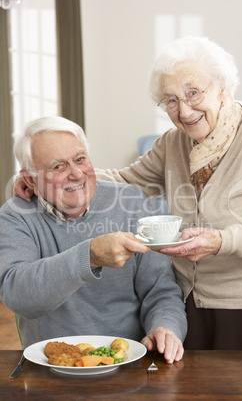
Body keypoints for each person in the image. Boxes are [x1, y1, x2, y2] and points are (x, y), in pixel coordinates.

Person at [13, 36, 242, 366]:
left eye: (193, 93)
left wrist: (220, 241)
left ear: (222, 86)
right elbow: (125, 182)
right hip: (187, 302)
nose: (184, 110)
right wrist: (50, 176)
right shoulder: (174, 143)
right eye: (171, 100)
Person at [0, 116, 187, 364]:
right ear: (31, 180)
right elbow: (18, 295)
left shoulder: (131, 201)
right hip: (52, 368)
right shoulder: (16, 215)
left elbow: (161, 291)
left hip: (129, 363)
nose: (76, 174)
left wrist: (166, 327)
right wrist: (89, 256)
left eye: (80, 159)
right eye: (58, 166)